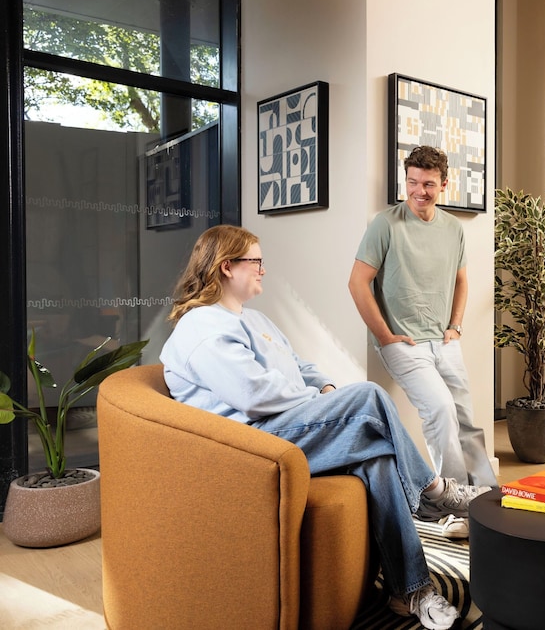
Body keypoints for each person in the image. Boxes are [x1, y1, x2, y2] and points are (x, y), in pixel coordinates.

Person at [160, 225, 490, 630]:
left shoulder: (255, 319)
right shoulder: (201, 326)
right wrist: (320, 401)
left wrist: (326, 389)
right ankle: (434, 492)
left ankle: (411, 591)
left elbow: (301, 367)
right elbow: (253, 394)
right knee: (367, 396)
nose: (263, 269)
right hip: (252, 447)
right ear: (227, 267)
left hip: (288, 429)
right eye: (256, 261)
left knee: (379, 457)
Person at [349, 145, 498, 540]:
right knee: (441, 410)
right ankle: (450, 502)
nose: (419, 191)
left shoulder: (453, 229)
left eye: (428, 184)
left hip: (444, 339)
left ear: (444, 185)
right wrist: (385, 335)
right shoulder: (385, 225)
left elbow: (461, 280)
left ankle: (488, 499)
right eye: (412, 182)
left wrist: (456, 326)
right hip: (405, 343)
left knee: (466, 418)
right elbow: (358, 282)